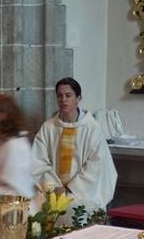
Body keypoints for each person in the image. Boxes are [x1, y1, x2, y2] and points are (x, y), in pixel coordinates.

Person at [31, 77, 117, 215]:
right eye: (59, 96)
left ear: (78, 98)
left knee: (74, 209)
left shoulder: (91, 127)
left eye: (68, 95)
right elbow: (38, 161)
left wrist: (70, 189)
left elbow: (96, 163)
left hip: (82, 191)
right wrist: (52, 187)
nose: (63, 100)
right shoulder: (49, 127)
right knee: (31, 209)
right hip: (53, 190)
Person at [0, 94, 34, 199]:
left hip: (15, 208)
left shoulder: (16, 147)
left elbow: (19, 192)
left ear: (0, 118)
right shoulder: (4, 145)